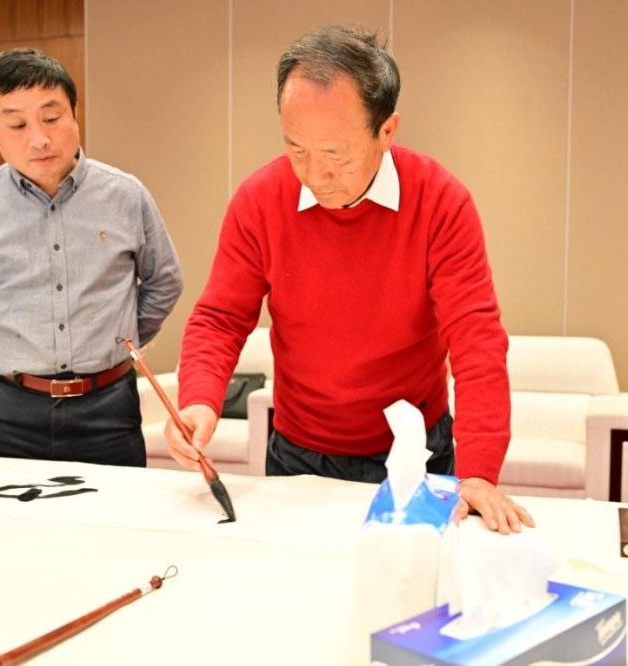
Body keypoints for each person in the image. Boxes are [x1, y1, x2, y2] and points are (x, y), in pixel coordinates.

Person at [167, 25, 532, 534]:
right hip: (299, 451)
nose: (315, 175)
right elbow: (220, 318)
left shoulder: (440, 202)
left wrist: (479, 471)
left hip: (415, 451)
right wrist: (200, 399)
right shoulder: (260, 200)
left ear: (387, 131)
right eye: (297, 150)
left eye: (335, 155)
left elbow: (476, 341)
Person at [0, 48, 183, 466]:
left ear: (74, 112)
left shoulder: (125, 195)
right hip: (8, 410)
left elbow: (164, 281)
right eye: (17, 125)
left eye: (51, 117)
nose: (40, 139)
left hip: (108, 409)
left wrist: (122, 337)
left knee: (115, 509)